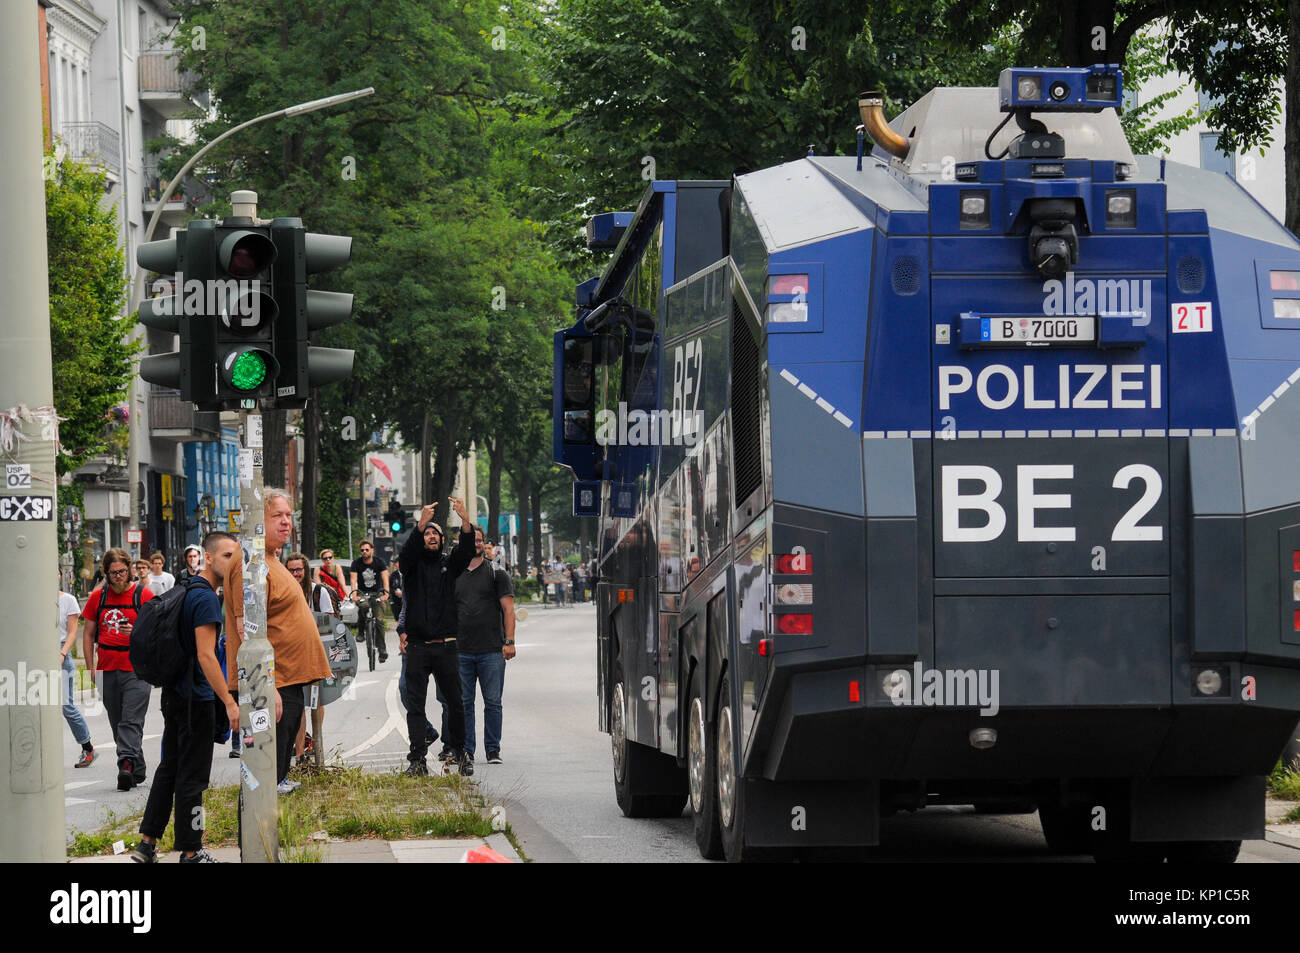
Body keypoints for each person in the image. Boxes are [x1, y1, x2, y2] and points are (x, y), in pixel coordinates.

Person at [132, 531, 240, 864]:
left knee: (170, 767)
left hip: (176, 694)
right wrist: (229, 702)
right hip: (196, 698)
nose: (232, 561)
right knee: (193, 776)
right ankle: (192, 850)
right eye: (226, 555)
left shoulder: (186, 588)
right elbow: (207, 655)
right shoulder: (206, 597)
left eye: (235, 555)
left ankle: (147, 844)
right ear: (207, 558)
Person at [223, 489, 333, 795]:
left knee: (279, 763)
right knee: (267, 774)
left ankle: (276, 798)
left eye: (289, 515)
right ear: (258, 520)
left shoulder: (270, 558)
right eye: (277, 516)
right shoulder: (250, 563)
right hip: (274, 682)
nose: (286, 522)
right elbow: (247, 629)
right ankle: (264, 828)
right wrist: (265, 686)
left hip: (287, 679)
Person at [399, 499, 475, 777]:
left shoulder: (450, 565)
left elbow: (466, 552)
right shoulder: (411, 566)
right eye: (427, 533)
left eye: (435, 534)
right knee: (415, 704)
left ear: (443, 540)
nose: (431, 536)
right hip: (417, 647)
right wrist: (420, 523)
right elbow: (405, 554)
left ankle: (461, 750)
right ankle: (417, 759)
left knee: (456, 702)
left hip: (446, 646)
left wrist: (465, 520)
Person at [81, 548, 156, 790]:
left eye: (122, 571)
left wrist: (135, 631)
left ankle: (125, 764)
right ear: (106, 573)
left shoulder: (143, 596)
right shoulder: (97, 598)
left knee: (130, 721)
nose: (118, 576)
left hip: (136, 668)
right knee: (117, 722)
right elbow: (88, 634)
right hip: (106, 668)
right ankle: (137, 767)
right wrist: (91, 668)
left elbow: (156, 632)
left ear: (130, 569)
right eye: (113, 573)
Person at [453, 531, 516, 767]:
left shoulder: (496, 572)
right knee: (464, 703)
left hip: (492, 649)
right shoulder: (454, 572)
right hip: (461, 650)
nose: (476, 544)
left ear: (484, 544)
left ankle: (493, 749)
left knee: (493, 702)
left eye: (480, 540)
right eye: (472, 540)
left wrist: (509, 642)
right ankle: (467, 750)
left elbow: (509, 610)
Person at [286, 551, 335, 764]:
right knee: (298, 703)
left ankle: (316, 741)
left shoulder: (317, 592)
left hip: (315, 653)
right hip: (291, 654)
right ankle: (300, 753)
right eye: (291, 570)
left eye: (299, 569)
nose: (295, 573)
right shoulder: (284, 591)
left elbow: (329, 623)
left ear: (305, 570)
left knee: (316, 700)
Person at [56, 570, 94, 768]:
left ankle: (87, 748)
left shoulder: (68, 600)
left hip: (60, 652)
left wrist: (62, 653)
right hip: (37, 655)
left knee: (65, 705)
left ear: (60, 576)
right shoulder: (32, 599)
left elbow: (72, 632)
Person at [396, 599, 438, 749]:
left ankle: (452, 747)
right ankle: (426, 732)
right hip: (413, 643)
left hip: (440, 643)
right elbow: (405, 608)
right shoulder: (410, 578)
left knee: (447, 698)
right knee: (405, 689)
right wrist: (401, 632)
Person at [348, 539, 390, 663]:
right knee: (363, 606)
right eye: (362, 550)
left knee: (379, 621)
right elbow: (353, 580)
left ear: (372, 550)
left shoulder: (379, 562)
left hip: (378, 593)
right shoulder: (356, 563)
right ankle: (361, 632)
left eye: (367, 549)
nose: (364, 552)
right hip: (363, 593)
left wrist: (386, 593)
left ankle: (382, 651)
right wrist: (355, 594)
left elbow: (385, 578)